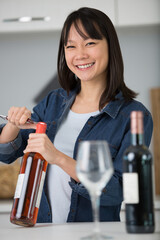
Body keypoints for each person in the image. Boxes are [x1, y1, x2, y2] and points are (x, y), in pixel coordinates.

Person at [0, 7, 153, 224]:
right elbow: (5, 154)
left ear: (110, 46)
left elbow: (120, 191)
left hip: (93, 233)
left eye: (90, 43)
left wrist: (58, 158)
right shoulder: (54, 102)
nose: (80, 54)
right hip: (41, 230)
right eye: (71, 46)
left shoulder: (135, 116)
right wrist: (13, 125)